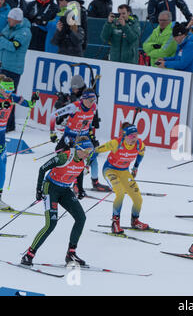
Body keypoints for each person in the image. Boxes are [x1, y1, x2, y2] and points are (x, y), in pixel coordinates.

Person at [20, 136, 94, 266]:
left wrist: (81, 189)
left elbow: (80, 172)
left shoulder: (82, 160)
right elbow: (42, 168)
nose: (89, 153)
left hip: (65, 190)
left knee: (81, 218)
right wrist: (39, 190)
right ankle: (29, 254)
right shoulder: (64, 157)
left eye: (90, 150)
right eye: (87, 150)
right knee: (51, 224)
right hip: (51, 189)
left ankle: (71, 254)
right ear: (79, 149)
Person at [50, 87, 111, 194]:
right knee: (64, 158)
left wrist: (91, 134)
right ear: (84, 99)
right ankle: (56, 181)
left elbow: (89, 122)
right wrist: (52, 133)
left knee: (92, 157)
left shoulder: (94, 107)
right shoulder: (74, 107)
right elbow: (53, 115)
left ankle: (94, 182)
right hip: (70, 136)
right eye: (91, 100)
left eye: (94, 100)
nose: (93, 102)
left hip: (84, 137)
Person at [94, 122, 148, 234]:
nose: (134, 138)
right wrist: (86, 161)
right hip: (110, 170)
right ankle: (115, 223)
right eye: (131, 136)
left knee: (138, 198)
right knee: (120, 192)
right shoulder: (115, 143)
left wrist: (135, 167)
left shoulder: (139, 144)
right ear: (125, 136)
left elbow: (141, 154)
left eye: (136, 135)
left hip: (124, 171)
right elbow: (97, 150)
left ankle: (135, 221)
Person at [0, 76, 36, 210]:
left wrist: (32, 101)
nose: (9, 93)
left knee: (2, 166)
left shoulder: (11, 98)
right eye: (6, 90)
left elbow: (27, 103)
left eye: (11, 90)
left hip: (1, 135)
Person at [0, 8, 31, 132]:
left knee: (9, 97)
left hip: (13, 69)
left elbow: (13, 47)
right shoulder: (9, 27)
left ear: (16, 20)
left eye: (10, 18)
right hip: (3, 66)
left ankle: (9, 125)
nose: (7, 20)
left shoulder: (25, 32)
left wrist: (2, 40)